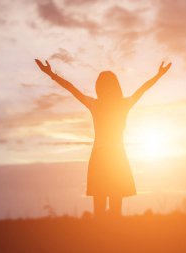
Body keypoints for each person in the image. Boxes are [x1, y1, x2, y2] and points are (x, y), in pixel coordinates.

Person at [35, 59, 171, 218]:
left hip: (104, 158)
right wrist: (159, 75)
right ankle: (110, 239)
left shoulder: (98, 104)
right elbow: (143, 89)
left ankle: (104, 238)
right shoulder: (120, 104)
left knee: (105, 208)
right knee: (111, 209)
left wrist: (51, 74)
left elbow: (72, 89)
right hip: (114, 158)